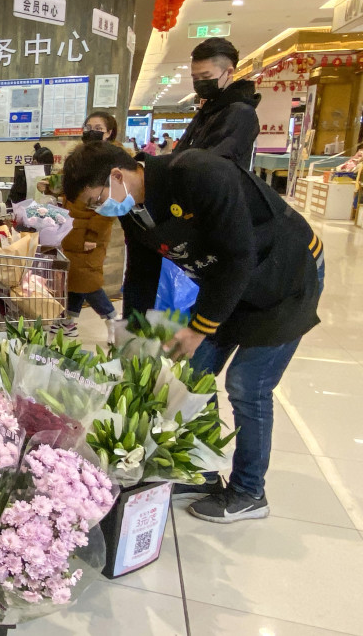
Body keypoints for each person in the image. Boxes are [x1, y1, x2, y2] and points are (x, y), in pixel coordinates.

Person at [61, 142, 323, 524]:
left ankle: (250, 491)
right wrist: (133, 331)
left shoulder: (199, 174)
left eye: (96, 199)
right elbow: (142, 271)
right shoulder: (135, 208)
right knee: (193, 375)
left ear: (117, 175)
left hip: (284, 275)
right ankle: (200, 470)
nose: (100, 209)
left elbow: (239, 256)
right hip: (227, 284)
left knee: (247, 385)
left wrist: (200, 328)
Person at [51, 112, 119, 343]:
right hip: (71, 228)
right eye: (88, 126)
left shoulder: (113, 162)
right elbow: (70, 189)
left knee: (88, 280)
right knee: (73, 277)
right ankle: (69, 321)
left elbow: (111, 205)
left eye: (98, 127)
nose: (91, 130)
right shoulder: (79, 156)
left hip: (91, 230)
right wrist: (52, 188)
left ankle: (112, 319)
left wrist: (93, 234)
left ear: (109, 133)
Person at [175, 37, 261, 168]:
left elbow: (214, 165)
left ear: (229, 72)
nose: (200, 82)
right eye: (195, 78)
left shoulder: (241, 113)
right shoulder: (208, 111)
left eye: (206, 77)